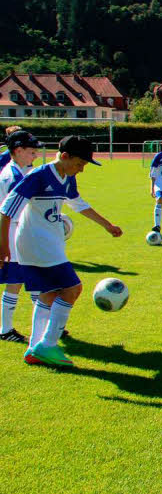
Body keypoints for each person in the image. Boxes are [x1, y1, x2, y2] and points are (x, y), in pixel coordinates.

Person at [0, 136, 123, 366]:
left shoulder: (68, 178)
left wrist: (107, 225)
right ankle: (48, 345)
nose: (82, 170)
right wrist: (3, 246)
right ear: (64, 156)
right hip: (36, 243)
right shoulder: (38, 176)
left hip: (49, 242)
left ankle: (34, 348)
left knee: (48, 294)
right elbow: (7, 210)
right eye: (80, 164)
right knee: (72, 289)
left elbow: (79, 204)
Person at [0, 131, 43, 343]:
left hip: (17, 233)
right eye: (31, 152)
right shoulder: (12, 177)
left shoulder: (22, 170)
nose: (35, 155)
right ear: (17, 151)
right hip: (12, 235)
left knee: (30, 279)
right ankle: (6, 329)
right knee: (17, 281)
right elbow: (11, 212)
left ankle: (44, 324)